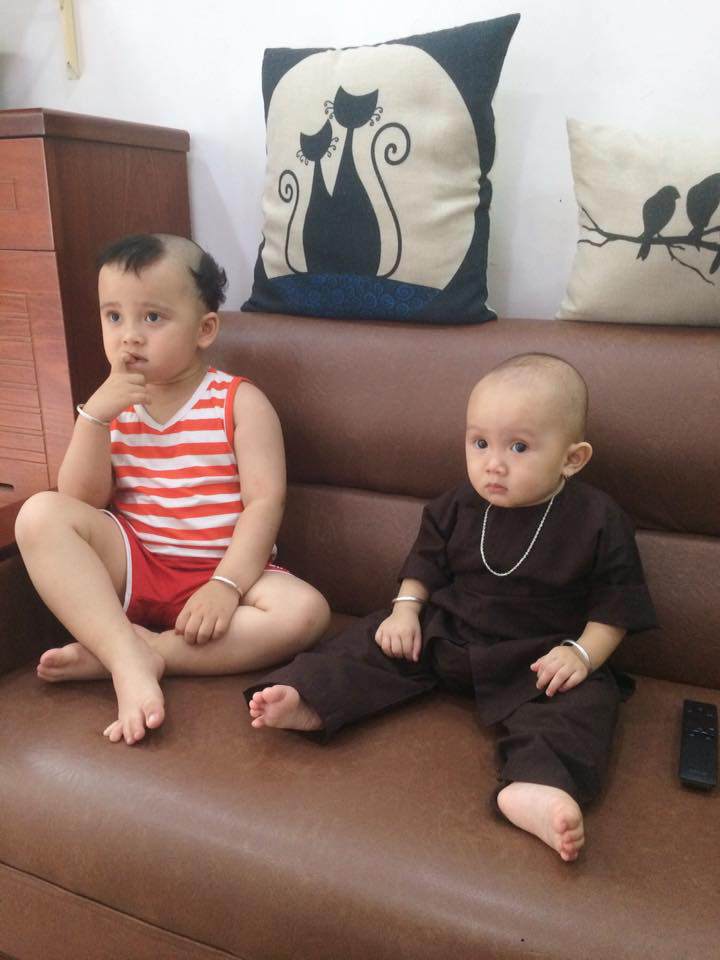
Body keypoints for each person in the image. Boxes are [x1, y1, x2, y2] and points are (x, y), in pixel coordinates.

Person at [246, 353, 657, 862]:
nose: (493, 463)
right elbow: (423, 565)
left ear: (572, 459)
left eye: (519, 447)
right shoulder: (457, 505)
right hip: (449, 633)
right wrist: (404, 611)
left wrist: (581, 654)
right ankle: (311, 696)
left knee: (586, 701)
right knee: (372, 638)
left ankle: (535, 786)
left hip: (539, 658)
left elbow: (615, 608)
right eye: (479, 443)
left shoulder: (598, 520)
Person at [15, 233, 330, 746]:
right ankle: (124, 655)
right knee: (39, 514)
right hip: (136, 562)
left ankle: (149, 652)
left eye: (152, 317)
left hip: (225, 570)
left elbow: (264, 504)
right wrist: (94, 418)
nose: (129, 337)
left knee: (306, 612)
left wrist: (226, 585)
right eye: (113, 316)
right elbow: (81, 502)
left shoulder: (238, 402)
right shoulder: (110, 407)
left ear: (204, 329)